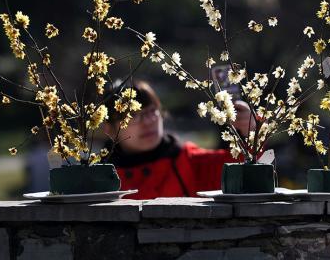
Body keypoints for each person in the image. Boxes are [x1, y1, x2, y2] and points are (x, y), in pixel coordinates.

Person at [102, 80, 253, 199]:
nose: (148, 121)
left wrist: (249, 132)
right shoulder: (99, 179)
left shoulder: (187, 161)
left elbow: (241, 169)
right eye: (133, 115)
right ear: (109, 128)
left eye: (152, 111)